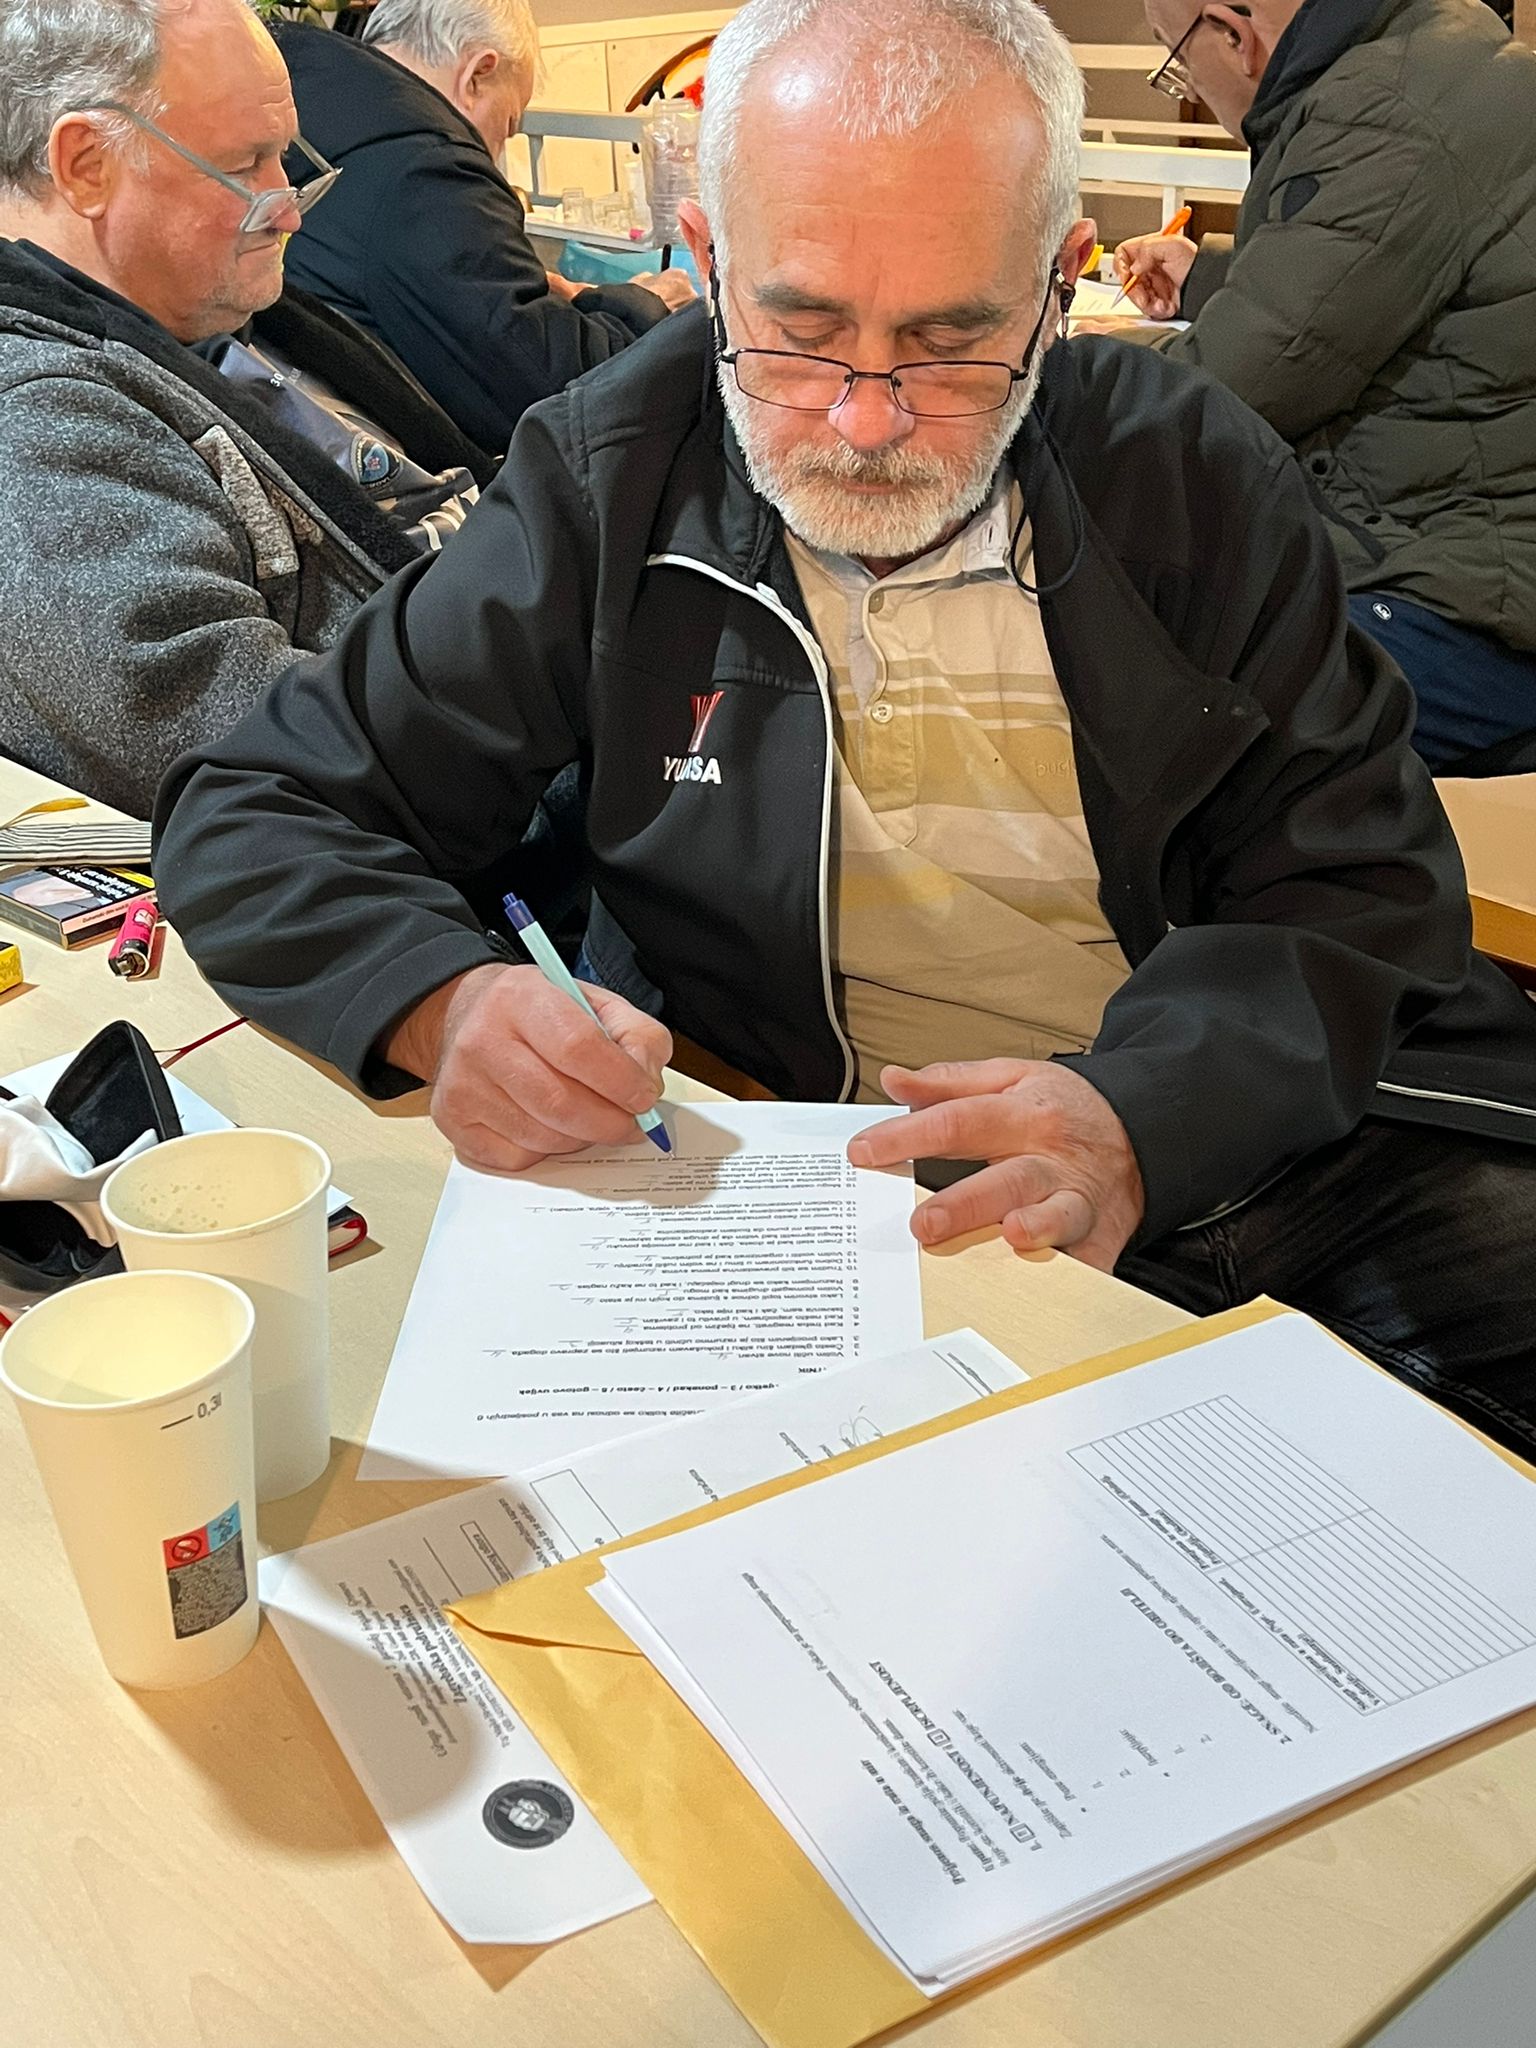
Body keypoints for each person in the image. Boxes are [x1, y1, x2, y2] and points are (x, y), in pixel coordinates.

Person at [156, 0, 1536, 1458]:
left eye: (952, 342)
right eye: (801, 335)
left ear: (1059, 283)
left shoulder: (1189, 472)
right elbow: (263, 807)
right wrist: (448, 1006)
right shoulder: (611, 477)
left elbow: (1359, 886)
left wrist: (1140, 1113)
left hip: (1271, 1134)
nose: (866, 424)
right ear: (705, 265)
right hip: (848, 1199)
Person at [0, 0, 489, 817]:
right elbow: (255, 744)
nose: (289, 207)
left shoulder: (216, 307)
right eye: (245, 164)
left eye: (284, 155)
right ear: (85, 166)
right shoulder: (37, 426)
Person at [1096, 0, 1536, 771]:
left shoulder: (1383, 109)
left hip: (1469, 605)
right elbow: (1370, 283)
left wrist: (1034, 370)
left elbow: (1235, 389)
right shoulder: (1436, 47)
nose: (1187, 81)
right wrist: (1213, 280)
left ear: (1232, 33)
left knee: (1150, 708)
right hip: (1468, 555)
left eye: (1177, 60)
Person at [275, 0, 697, 462]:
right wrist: (646, 308)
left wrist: (548, 300)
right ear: (478, 74)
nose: (496, 152)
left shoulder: (309, 107)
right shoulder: (427, 175)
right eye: (509, 125)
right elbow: (552, 394)